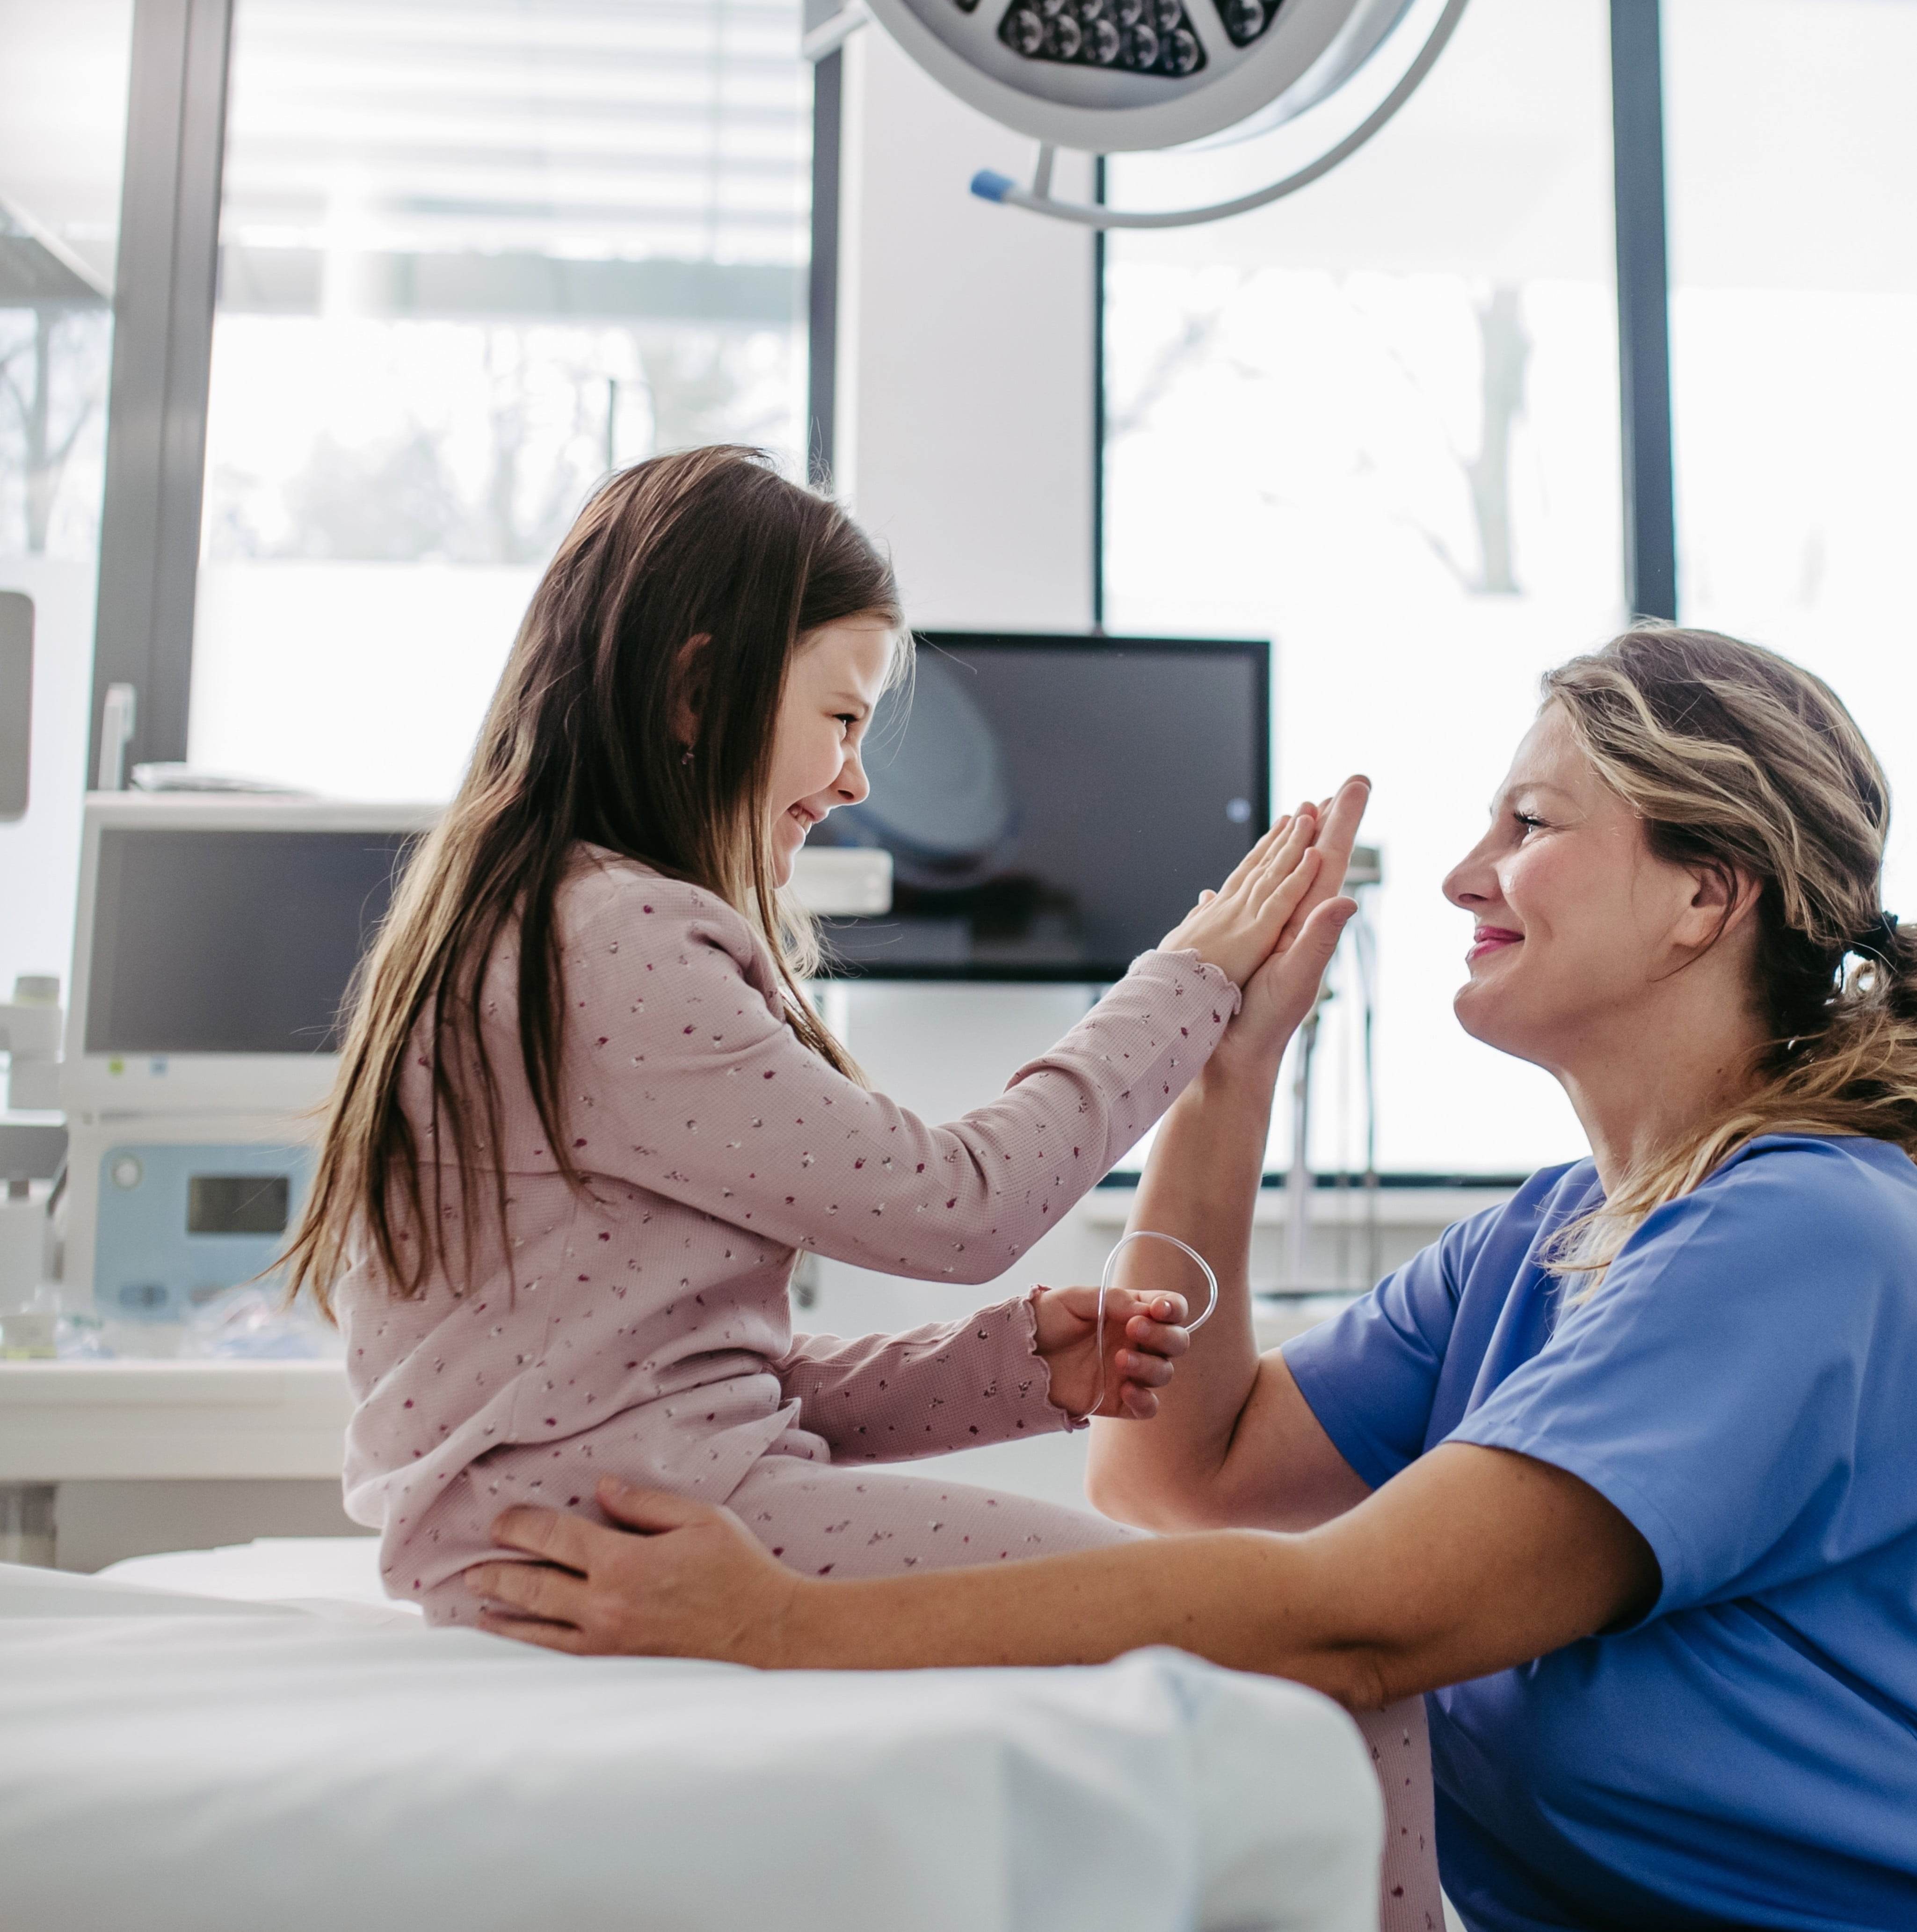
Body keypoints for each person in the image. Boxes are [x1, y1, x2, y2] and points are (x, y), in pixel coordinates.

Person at [465, 625, 1917, 1932]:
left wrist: (781, 1624)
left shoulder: (1804, 1234)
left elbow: (1359, 1618)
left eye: (1529, 824)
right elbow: (1179, 1474)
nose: (1467, 872)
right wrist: (1229, 1064)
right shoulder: (1544, 1238)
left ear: (1704, 895)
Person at [281, 446, 1341, 1627]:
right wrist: (1189, 977)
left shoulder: (533, 920)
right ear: (697, 691)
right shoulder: (618, 941)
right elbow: (964, 1206)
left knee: (1262, 1617)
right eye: (841, 718)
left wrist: (1007, 1370)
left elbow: (689, 1394)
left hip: (609, 1517)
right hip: (634, 1536)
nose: (851, 782)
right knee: (1295, 1632)